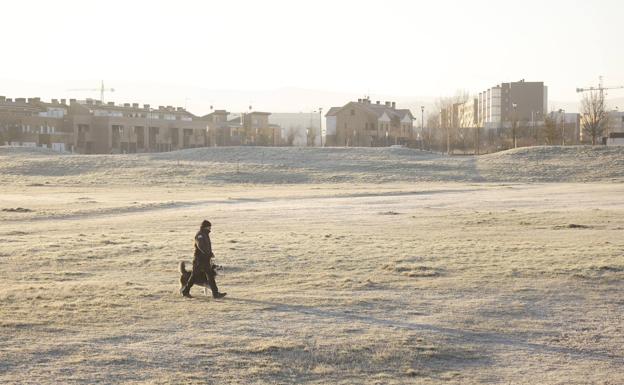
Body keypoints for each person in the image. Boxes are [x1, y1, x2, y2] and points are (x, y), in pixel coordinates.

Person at [180, 219, 226, 299]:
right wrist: (208, 253)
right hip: (199, 259)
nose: (210, 229)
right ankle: (185, 291)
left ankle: (215, 294)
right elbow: (201, 246)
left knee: (210, 276)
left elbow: (207, 246)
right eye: (209, 227)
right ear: (205, 227)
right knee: (194, 276)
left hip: (205, 259)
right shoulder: (200, 235)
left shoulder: (205, 234)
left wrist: (210, 253)